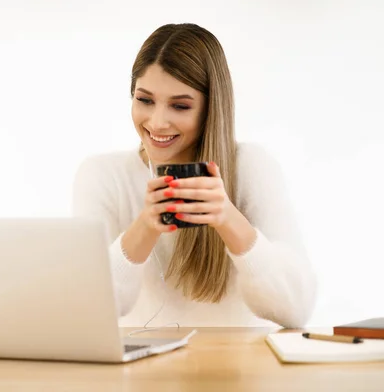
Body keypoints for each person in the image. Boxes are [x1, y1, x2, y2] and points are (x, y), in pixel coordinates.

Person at [71, 23, 317, 329]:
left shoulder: (252, 167)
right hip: (141, 372)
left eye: (180, 106)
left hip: (239, 371)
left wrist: (229, 220)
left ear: (209, 109)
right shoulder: (102, 176)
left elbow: (295, 310)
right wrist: (145, 227)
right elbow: (88, 310)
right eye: (145, 100)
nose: (157, 122)